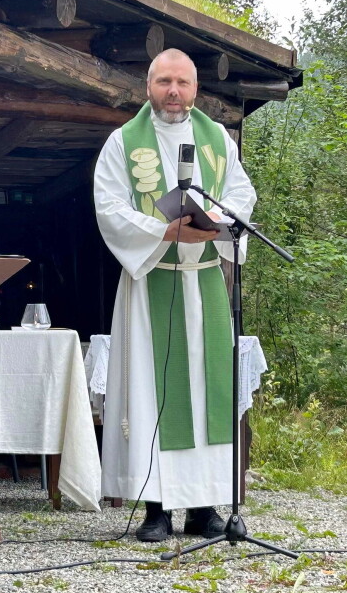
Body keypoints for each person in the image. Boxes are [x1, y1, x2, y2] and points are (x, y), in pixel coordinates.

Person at [93, 48, 257, 542]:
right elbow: (109, 207)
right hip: (151, 282)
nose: (173, 91)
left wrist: (217, 224)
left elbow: (241, 194)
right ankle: (157, 510)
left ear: (195, 88)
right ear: (148, 86)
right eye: (164, 81)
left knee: (208, 396)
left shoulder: (217, 140)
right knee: (150, 392)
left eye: (182, 82)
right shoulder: (123, 143)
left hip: (205, 278)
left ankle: (204, 508)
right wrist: (163, 232)